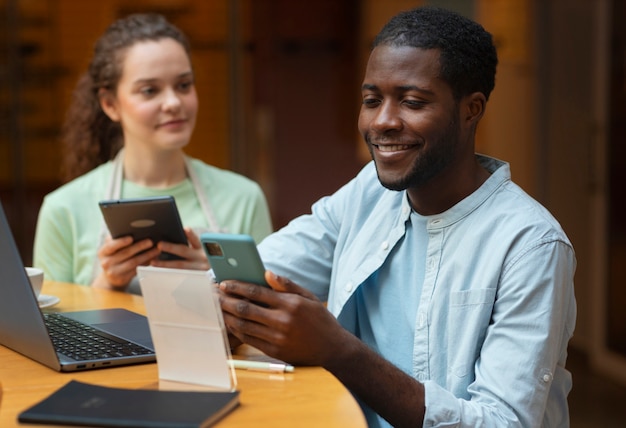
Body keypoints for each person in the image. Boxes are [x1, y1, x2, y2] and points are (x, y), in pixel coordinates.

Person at [217, 6, 576, 428]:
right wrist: (235, 305)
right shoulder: (369, 192)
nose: (382, 122)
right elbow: (267, 268)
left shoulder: (530, 245)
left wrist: (337, 350)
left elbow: (502, 423)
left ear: (471, 109)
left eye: (412, 101)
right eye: (372, 100)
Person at [33, 13, 272, 292]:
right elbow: (50, 330)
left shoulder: (244, 198)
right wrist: (107, 283)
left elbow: (267, 318)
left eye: (183, 85)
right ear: (110, 104)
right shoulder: (63, 209)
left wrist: (218, 280)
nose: (173, 102)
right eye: (149, 90)